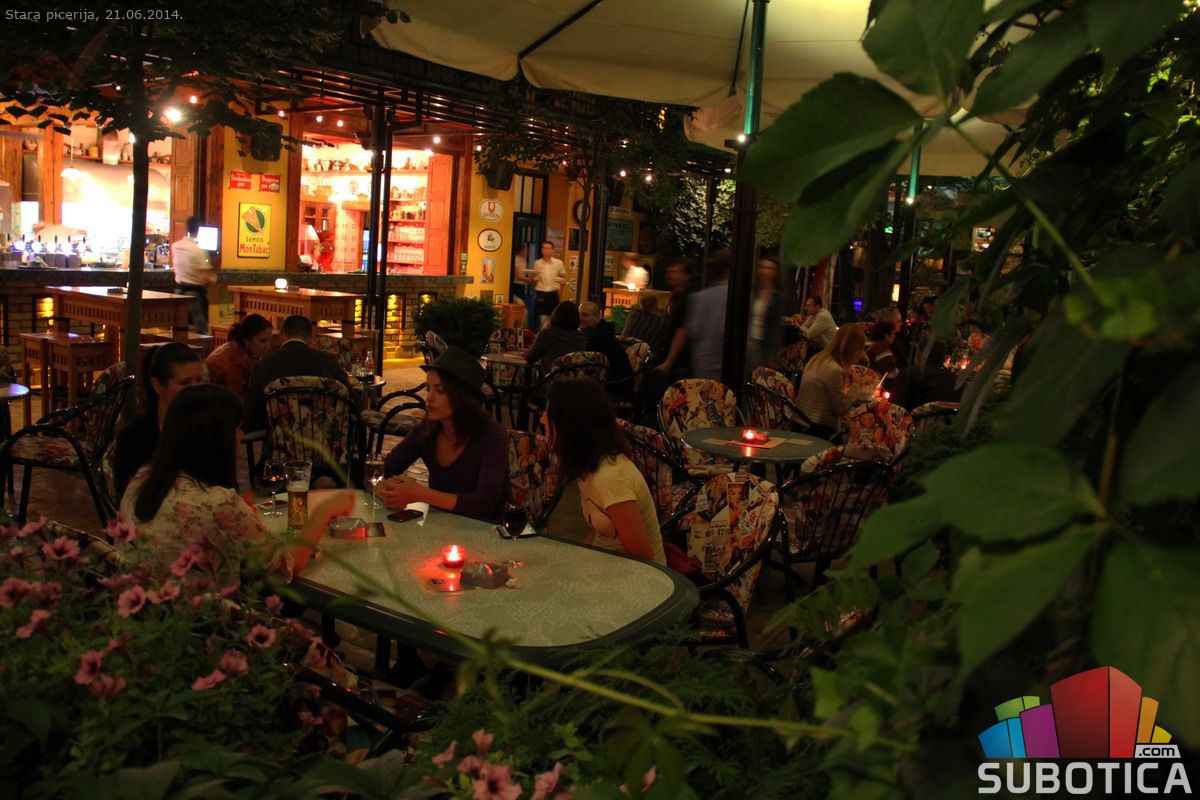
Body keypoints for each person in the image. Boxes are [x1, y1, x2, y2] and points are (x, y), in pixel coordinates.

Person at [121, 384, 354, 583]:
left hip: (143, 614)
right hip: (205, 619)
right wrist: (325, 511)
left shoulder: (140, 481)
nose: (241, 436)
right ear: (215, 439)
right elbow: (286, 563)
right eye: (237, 429)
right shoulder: (217, 504)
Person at [544, 377, 666, 564]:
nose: (542, 418)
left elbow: (644, 559)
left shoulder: (610, 478)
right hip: (604, 565)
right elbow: (597, 536)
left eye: (549, 413)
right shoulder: (588, 466)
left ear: (570, 426)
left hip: (636, 577)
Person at [378, 347, 508, 521]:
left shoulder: (493, 435)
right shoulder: (428, 428)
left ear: (463, 397)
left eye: (440, 391)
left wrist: (420, 493)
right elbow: (387, 468)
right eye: (428, 389)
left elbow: (484, 505)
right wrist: (384, 488)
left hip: (485, 531)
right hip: (440, 527)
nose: (429, 398)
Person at [113, 342, 204, 503]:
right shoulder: (134, 437)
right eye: (185, 383)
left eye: (199, 380)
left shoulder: (206, 429)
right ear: (157, 386)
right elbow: (128, 497)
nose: (195, 389)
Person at [243, 314, 350, 433]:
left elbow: (251, 413)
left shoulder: (265, 365)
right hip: (324, 438)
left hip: (280, 439)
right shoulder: (328, 361)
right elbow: (350, 397)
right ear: (310, 338)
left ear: (281, 336)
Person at [794, 323, 867, 439]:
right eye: (861, 349)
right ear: (853, 350)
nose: (861, 355)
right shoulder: (834, 370)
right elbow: (840, 408)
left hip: (799, 422)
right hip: (817, 430)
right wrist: (857, 386)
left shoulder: (818, 358)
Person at [677, 251, 730, 381]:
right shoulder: (736, 296)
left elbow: (693, 331)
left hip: (701, 363)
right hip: (724, 365)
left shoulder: (699, 297)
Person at [204, 313, 273, 399]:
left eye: (269, 341)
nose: (268, 347)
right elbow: (236, 398)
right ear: (246, 340)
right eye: (263, 341)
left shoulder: (244, 349)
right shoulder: (236, 359)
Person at [171, 216, 216, 334]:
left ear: (185, 228)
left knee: (179, 329)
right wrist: (214, 278)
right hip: (195, 294)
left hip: (178, 292)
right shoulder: (199, 251)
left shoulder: (175, 246)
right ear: (198, 230)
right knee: (201, 331)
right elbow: (206, 276)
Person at [579, 301, 633, 389]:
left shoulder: (603, 337)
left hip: (614, 386)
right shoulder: (592, 333)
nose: (580, 318)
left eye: (585, 315)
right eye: (579, 315)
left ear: (597, 317)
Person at [526, 300, 587, 373]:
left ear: (556, 315)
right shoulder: (581, 337)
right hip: (575, 379)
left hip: (552, 379)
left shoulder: (547, 335)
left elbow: (530, 358)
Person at [747, 256, 784, 372]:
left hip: (763, 344)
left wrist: (770, 354)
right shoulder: (751, 290)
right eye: (762, 267)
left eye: (770, 268)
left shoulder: (778, 297)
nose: (765, 271)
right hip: (747, 340)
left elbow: (774, 328)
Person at [531, 241, 566, 328]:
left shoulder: (558, 263)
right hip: (541, 293)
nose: (546, 250)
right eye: (544, 248)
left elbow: (562, 277)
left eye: (549, 248)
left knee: (555, 317)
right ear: (542, 250)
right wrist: (533, 279)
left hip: (553, 293)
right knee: (543, 318)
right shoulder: (537, 263)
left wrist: (561, 286)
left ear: (553, 250)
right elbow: (534, 279)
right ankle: (543, 334)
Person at [513, 244, 536, 329]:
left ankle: (520, 328)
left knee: (522, 310)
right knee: (523, 310)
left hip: (522, 286)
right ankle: (522, 329)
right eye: (525, 250)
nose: (527, 252)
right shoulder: (516, 260)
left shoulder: (523, 260)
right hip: (516, 286)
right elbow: (518, 276)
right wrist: (529, 280)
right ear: (520, 251)